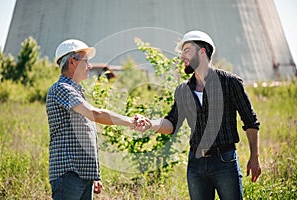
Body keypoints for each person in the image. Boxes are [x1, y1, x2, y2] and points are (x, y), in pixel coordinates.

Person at [134, 30, 261, 200]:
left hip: (225, 161)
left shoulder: (230, 83)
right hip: (196, 164)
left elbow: (250, 121)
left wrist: (254, 157)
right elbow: (171, 123)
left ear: (202, 51)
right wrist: (151, 124)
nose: (182, 57)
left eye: (186, 50)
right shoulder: (183, 90)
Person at [46, 39, 146, 200]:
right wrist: (130, 121)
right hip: (69, 174)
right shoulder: (61, 89)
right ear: (72, 62)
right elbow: (96, 114)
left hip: (83, 174)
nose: (90, 66)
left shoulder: (76, 91)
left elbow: (87, 134)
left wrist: (94, 173)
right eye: (86, 61)